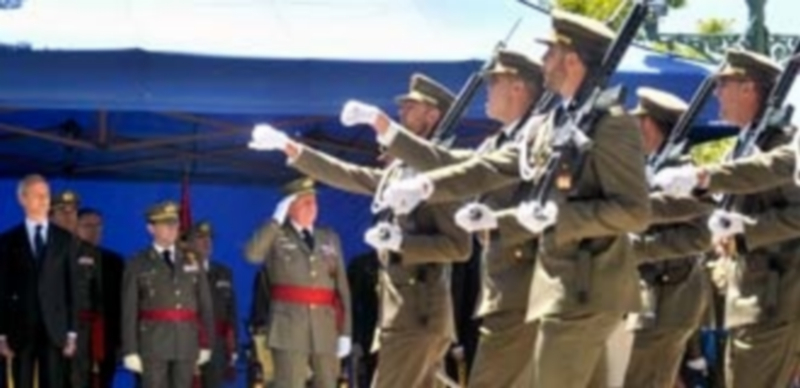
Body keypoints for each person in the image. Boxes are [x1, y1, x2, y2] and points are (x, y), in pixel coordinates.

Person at [376, 10, 651, 387]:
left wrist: (558, 216)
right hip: (558, 288)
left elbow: (635, 211)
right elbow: (492, 166)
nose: (542, 63)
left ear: (572, 60)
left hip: (591, 287)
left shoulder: (612, 123)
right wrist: (426, 187)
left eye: (550, 53)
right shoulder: (551, 125)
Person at [248, 73, 471, 388]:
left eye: (411, 107)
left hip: (419, 314)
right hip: (401, 315)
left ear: (433, 116)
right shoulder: (401, 169)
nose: (402, 112)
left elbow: (459, 246)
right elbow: (348, 175)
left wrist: (400, 242)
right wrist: (290, 147)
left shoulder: (440, 170)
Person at [340, 49, 546, 387]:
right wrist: (382, 128)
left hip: (516, 291)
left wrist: (421, 193)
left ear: (518, 88)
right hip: (502, 291)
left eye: (494, 81)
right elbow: (449, 162)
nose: (487, 90)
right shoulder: (498, 142)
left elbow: (458, 239)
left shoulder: (535, 137)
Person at [654, 49, 800, 387]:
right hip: (746, 294)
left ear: (749, 88)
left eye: (724, 84)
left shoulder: (781, 145)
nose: (717, 93)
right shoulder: (746, 142)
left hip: (774, 299)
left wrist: (747, 229)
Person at [621, 87, 714, 388]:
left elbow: (701, 236)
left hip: (669, 295)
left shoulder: (681, 174)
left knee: (646, 379)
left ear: (647, 124)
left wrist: (636, 249)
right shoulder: (654, 168)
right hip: (654, 297)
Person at [245, 178, 352, 388]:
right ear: (290, 207)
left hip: (325, 327)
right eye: (305, 202)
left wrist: (346, 332)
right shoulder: (276, 236)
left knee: (328, 384)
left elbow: (342, 289)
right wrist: (276, 219)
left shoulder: (329, 237)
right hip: (289, 328)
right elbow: (252, 255)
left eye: (314, 202)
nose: (312, 207)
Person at [121, 201, 215, 388]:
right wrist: (130, 349)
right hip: (153, 343)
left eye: (175, 223)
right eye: (165, 224)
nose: (172, 228)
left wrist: (207, 342)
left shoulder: (192, 258)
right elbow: (129, 309)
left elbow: (205, 304)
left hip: (186, 341)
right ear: (151, 228)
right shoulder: (138, 262)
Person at [0, 174, 79, 388]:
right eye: (38, 195)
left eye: (46, 195)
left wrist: (72, 332)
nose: (45, 200)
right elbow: (2, 289)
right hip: (20, 329)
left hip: (55, 330)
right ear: (22, 199)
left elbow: (72, 288)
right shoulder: (8, 241)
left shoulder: (65, 240)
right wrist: (2, 334)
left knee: (53, 382)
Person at [50, 190, 105, 388]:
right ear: (51, 215)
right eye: (62, 212)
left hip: (81, 327)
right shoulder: (42, 246)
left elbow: (97, 291)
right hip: (50, 326)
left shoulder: (87, 251)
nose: (68, 217)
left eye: (72, 212)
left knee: (79, 377)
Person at [185, 221, 240, 388]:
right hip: (186, 343)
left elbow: (232, 311)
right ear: (188, 243)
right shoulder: (179, 272)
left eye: (210, 238)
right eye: (200, 238)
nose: (207, 242)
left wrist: (233, 346)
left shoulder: (223, 272)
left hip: (216, 345)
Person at [76, 207, 126, 388]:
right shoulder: (64, 258)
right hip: (75, 338)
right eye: (87, 225)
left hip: (107, 338)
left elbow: (123, 304)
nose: (94, 230)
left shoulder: (115, 261)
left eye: (98, 225)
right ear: (76, 227)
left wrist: (122, 342)